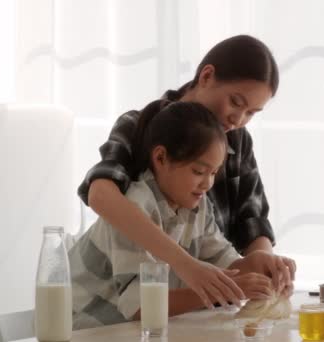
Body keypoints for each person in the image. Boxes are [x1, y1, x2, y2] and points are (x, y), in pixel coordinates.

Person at [78, 35, 295, 309]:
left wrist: (264, 266)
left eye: (251, 112)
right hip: (129, 305)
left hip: (189, 310)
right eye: (236, 102)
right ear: (206, 76)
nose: (238, 120)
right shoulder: (142, 126)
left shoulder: (237, 141)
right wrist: (185, 265)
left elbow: (250, 220)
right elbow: (101, 195)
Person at [70, 102, 285, 329]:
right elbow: (138, 305)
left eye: (213, 173)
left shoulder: (197, 208)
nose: (207, 183)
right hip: (87, 329)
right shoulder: (135, 207)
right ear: (161, 158)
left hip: (135, 331)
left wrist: (259, 266)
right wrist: (226, 290)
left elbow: (226, 263)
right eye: (199, 172)